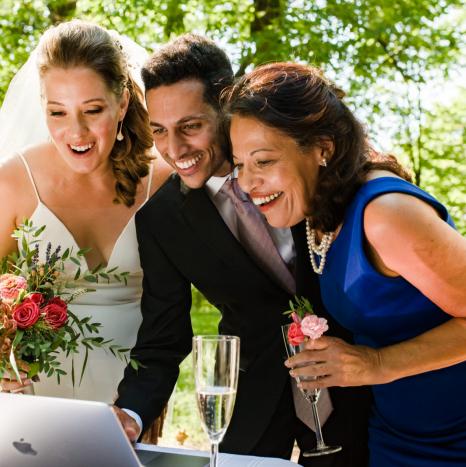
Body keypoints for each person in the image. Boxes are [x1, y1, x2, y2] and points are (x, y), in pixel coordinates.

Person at [221, 62, 466, 466]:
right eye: (240, 165)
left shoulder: (384, 213)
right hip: (400, 429)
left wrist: (374, 364)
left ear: (322, 148)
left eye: (264, 161)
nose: (248, 183)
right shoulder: (319, 213)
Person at [112, 35, 373, 466]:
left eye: (190, 126)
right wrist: (132, 413)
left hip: (363, 386)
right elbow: (162, 339)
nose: (174, 150)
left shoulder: (301, 161)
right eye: (159, 130)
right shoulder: (160, 222)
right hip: (253, 402)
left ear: (227, 107)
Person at [0, 20, 173, 410]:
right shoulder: (9, 185)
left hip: (136, 392)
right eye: (57, 112)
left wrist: (141, 407)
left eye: (92, 110)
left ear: (122, 103)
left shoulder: (161, 182)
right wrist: (0, 351)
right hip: (34, 392)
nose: (76, 132)